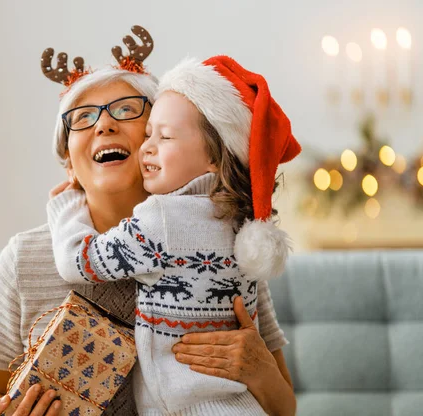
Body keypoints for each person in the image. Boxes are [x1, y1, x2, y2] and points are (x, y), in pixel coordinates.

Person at [0, 26, 296, 416]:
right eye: (82, 117)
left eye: (126, 110)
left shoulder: (225, 244)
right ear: (68, 161)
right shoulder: (24, 261)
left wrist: (260, 371)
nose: (104, 125)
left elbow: (284, 409)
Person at [48, 55, 300, 415]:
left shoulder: (161, 218)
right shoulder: (240, 227)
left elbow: (77, 260)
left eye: (163, 136)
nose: (148, 147)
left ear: (214, 156)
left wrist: (66, 205)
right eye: (150, 134)